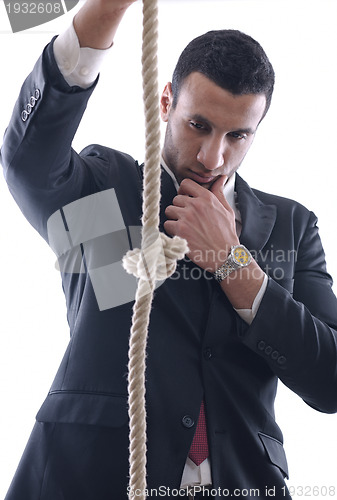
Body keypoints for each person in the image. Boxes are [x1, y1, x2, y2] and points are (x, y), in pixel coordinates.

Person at [1, 0, 337, 499]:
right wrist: (105, 10)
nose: (212, 156)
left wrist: (232, 263)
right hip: (91, 479)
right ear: (165, 104)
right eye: (199, 124)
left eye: (237, 136)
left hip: (244, 485)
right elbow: (30, 162)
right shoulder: (108, 193)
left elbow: (330, 380)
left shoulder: (290, 226)